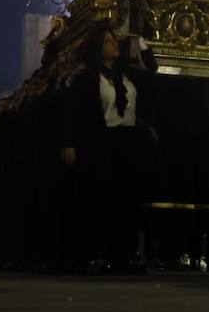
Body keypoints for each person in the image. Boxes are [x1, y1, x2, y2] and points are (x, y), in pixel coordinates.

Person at [58, 26, 160, 275]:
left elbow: (152, 70)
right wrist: (68, 143)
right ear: (97, 48)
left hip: (129, 142)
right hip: (101, 143)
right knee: (99, 200)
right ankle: (94, 255)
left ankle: (123, 255)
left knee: (127, 199)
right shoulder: (86, 77)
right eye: (107, 42)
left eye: (114, 40)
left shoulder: (126, 74)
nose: (114, 44)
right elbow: (72, 112)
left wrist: (141, 41)